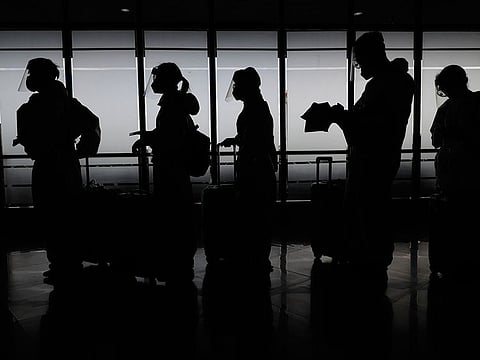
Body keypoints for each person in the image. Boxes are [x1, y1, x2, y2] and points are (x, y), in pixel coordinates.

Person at [329, 31, 414, 286]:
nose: (360, 66)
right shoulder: (400, 82)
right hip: (383, 157)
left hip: (370, 158)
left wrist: (342, 117)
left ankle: (368, 258)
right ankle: (373, 259)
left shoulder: (380, 85)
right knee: (374, 208)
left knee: (367, 209)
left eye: (361, 60)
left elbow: (368, 126)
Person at [15, 57, 101, 286]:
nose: (30, 78)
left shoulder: (34, 107)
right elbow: (92, 124)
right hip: (66, 163)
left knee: (52, 213)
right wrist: (80, 151)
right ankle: (68, 261)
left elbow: (32, 140)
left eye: (33, 74)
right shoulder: (67, 103)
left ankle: (60, 263)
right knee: (66, 213)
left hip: (47, 164)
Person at [131, 62, 199, 282]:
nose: (154, 83)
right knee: (179, 213)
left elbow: (169, 137)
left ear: (166, 80)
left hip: (169, 169)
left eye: (157, 78)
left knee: (173, 212)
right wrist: (151, 135)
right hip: (177, 169)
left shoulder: (171, 104)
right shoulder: (177, 103)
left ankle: (175, 261)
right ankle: (180, 261)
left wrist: (149, 138)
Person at [220, 66, 278, 276]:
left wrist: (239, 140)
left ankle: (256, 259)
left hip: (254, 170)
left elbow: (253, 138)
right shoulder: (258, 107)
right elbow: (257, 136)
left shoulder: (253, 109)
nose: (234, 89)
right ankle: (258, 258)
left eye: (236, 85)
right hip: (259, 168)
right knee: (258, 215)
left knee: (254, 214)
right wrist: (236, 139)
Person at [429, 64, 480, 279]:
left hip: (452, 170)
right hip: (471, 170)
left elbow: (435, 140)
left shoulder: (446, 109)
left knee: (452, 215)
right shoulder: (476, 103)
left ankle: (449, 259)